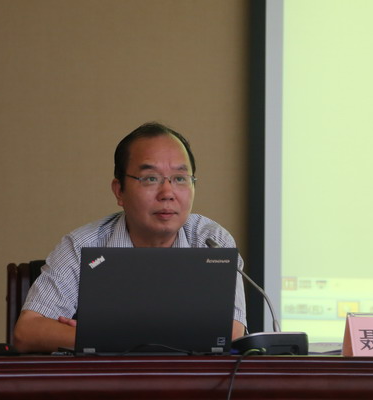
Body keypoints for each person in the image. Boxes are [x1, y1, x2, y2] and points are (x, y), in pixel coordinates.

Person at [13, 122, 247, 353]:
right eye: (150, 178)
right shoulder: (83, 245)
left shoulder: (211, 241)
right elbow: (27, 332)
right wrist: (166, 337)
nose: (167, 193)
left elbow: (232, 333)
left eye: (180, 178)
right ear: (119, 191)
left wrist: (99, 336)